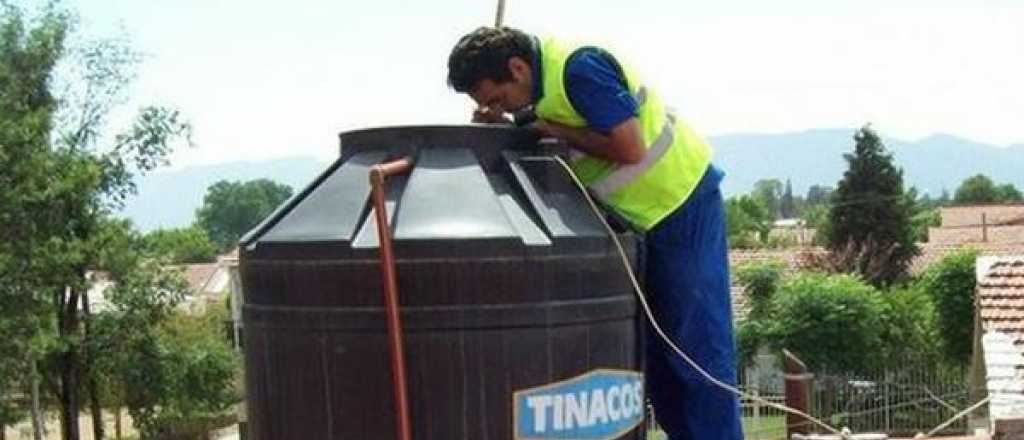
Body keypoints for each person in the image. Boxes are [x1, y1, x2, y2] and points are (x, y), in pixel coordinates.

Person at [446, 27, 743, 440]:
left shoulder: (580, 70)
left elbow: (630, 147)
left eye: (498, 99)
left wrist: (553, 131)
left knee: (696, 354)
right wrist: (507, 124)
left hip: (682, 205)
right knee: (657, 360)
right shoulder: (537, 96)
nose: (500, 107)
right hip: (639, 221)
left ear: (517, 68)